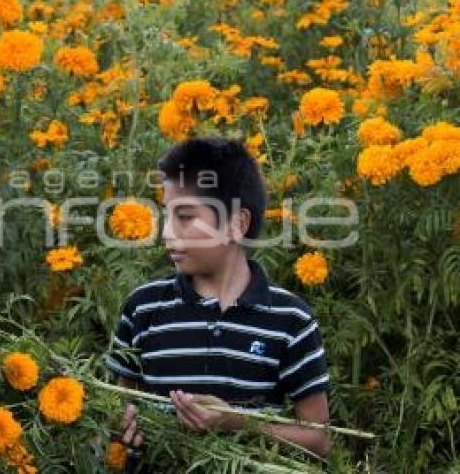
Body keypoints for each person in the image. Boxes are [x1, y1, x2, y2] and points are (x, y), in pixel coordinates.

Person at [106, 137, 332, 466]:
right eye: (167, 215)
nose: (167, 232)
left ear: (237, 224)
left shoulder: (290, 320)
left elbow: (320, 439)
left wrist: (235, 422)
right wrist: (123, 423)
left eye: (184, 217)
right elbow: (119, 403)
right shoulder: (143, 309)